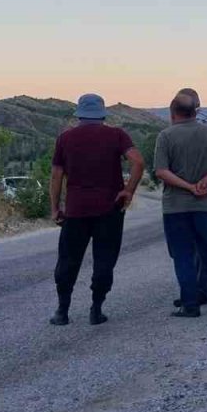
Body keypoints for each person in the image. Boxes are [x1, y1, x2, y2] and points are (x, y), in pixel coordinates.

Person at [47, 94, 146, 326]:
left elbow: (56, 175)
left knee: (68, 260)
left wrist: (55, 207)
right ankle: (96, 309)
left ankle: (62, 311)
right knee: (104, 259)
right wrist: (128, 191)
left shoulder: (65, 138)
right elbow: (138, 162)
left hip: (75, 209)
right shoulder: (117, 135)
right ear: (102, 114)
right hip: (109, 210)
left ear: (79, 114)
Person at [155, 92, 207, 317]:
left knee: (183, 255)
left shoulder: (165, 136)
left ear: (173, 112)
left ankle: (190, 305)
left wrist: (188, 187)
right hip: (205, 205)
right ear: (194, 111)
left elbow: (161, 171)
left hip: (175, 207)